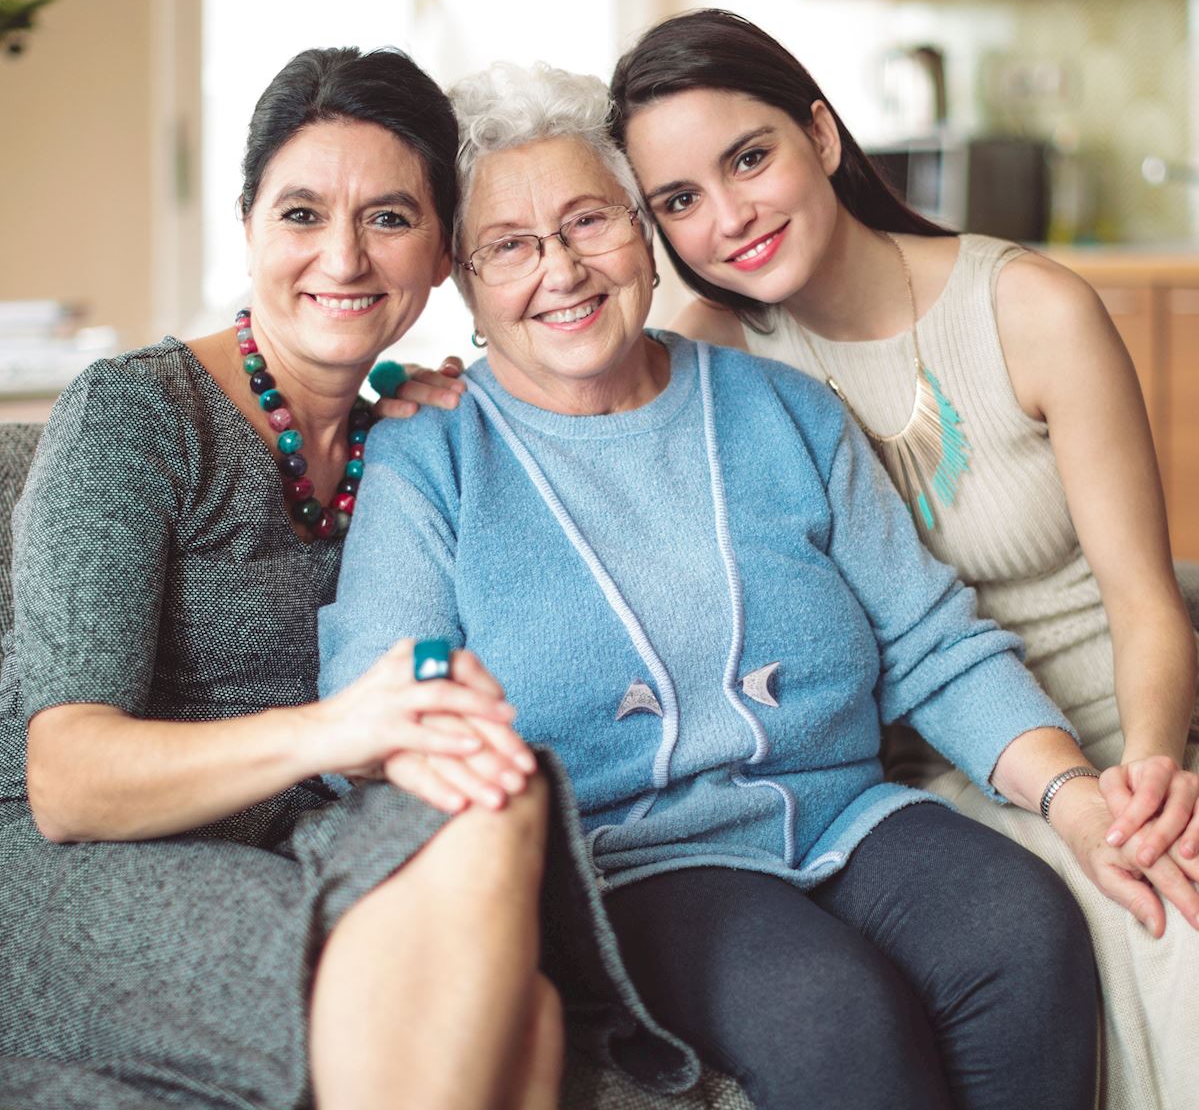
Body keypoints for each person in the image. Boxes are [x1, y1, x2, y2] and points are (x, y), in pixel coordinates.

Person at [317, 60, 1127, 1110]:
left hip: (845, 812)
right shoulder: (430, 455)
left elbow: (931, 642)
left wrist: (1072, 798)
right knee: (832, 1013)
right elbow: (378, 707)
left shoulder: (781, 408)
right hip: (628, 865)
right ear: (466, 287)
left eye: (587, 222)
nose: (558, 270)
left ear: (642, 235)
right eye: (508, 246)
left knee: (1021, 924)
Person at [0, 46, 671, 1110]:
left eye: (390, 218)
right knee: (520, 1026)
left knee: (497, 792)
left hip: (300, 835)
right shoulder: (134, 414)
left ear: (443, 252)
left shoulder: (400, 439)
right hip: (77, 866)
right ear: (250, 226)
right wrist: (336, 730)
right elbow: (65, 781)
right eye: (303, 214)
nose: (344, 259)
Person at [608, 7, 1199, 1108]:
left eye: (749, 158)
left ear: (821, 138)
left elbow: (1148, 606)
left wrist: (1147, 780)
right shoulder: (713, 354)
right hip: (898, 793)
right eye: (678, 201)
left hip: (1104, 751)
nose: (729, 218)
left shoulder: (1028, 309)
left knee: (1168, 927)